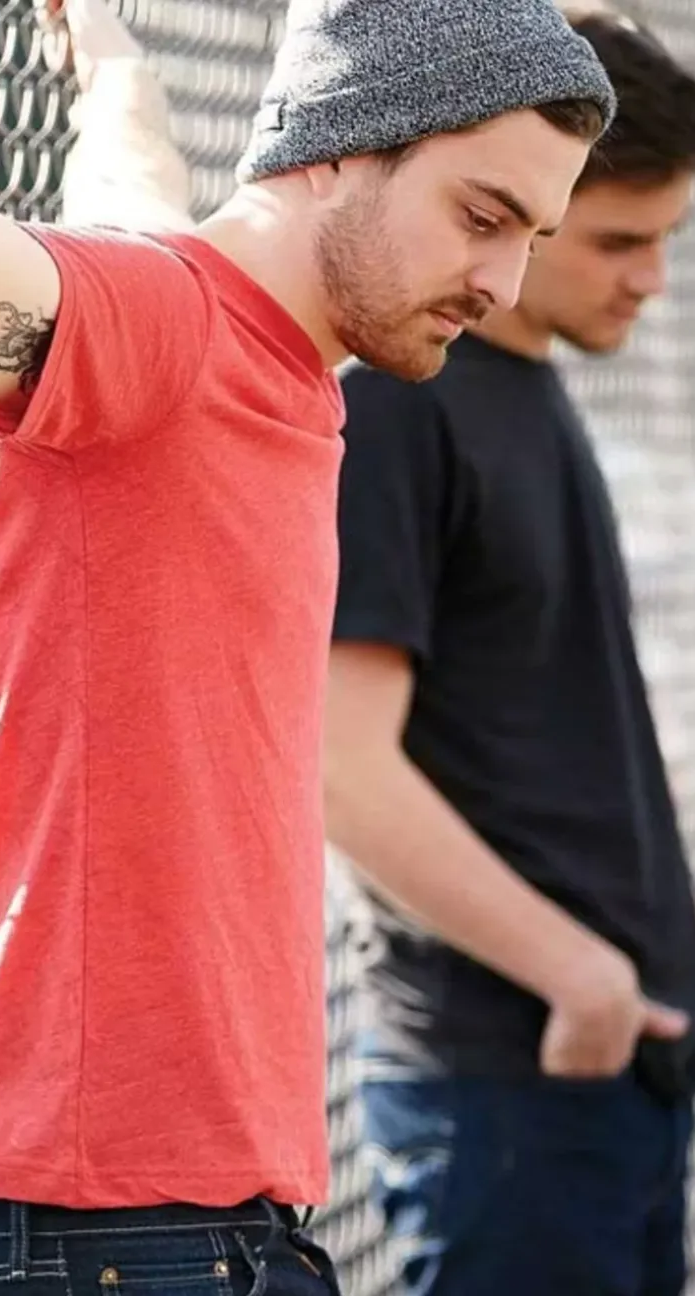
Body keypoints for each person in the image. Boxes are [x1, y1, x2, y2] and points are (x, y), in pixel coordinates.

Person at [0, 2, 615, 1294]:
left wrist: (117, 75)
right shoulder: (162, 324)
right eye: (480, 215)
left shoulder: (236, 346)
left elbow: (133, 186)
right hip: (95, 1233)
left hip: (188, 1223)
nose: (504, 283)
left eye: (531, 237)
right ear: (340, 150)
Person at [321, 9, 695, 1295]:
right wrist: (577, 975)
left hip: (604, 1074)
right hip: (506, 1084)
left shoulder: (524, 382)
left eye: (668, 241)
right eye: (619, 242)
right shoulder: (398, 405)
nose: (651, 281)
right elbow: (338, 767)